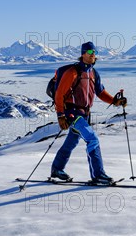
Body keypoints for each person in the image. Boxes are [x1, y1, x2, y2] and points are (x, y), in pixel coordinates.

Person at [51, 42, 127, 183]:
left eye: (95, 52)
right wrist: (61, 115)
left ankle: (57, 168)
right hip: (72, 113)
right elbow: (59, 95)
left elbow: (100, 92)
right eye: (90, 52)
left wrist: (115, 101)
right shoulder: (72, 72)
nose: (93, 55)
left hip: (85, 113)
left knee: (71, 142)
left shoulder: (93, 72)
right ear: (83, 54)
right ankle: (98, 175)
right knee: (92, 139)